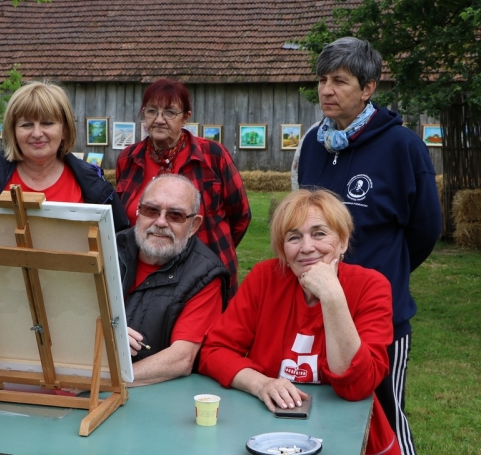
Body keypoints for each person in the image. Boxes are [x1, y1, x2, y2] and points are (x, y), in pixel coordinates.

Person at [297, 37, 441, 455]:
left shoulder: (402, 147)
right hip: (319, 307)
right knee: (327, 412)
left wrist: (382, 275)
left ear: (368, 88)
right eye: (322, 80)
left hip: (380, 315)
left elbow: (425, 230)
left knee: (385, 414)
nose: (326, 90)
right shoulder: (313, 143)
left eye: (339, 81)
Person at [200, 188, 400, 455]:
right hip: (270, 431)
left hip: (349, 434)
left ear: (342, 242)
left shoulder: (371, 286)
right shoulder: (264, 278)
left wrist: (332, 297)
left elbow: (356, 386)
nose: (307, 247)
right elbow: (214, 351)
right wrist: (261, 383)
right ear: (283, 248)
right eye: (294, 237)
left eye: (319, 233)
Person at [0, 80, 129, 354]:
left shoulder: (93, 185)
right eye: (26, 124)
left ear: (64, 129)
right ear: (13, 131)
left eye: (47, 123)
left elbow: (119, 254)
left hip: (75, 322)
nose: (37, 133)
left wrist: (109, 317)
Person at [115, 79, 250, 299]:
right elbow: (126, 219)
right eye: (151, 111)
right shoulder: (128, 159)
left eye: (169, 112)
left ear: (186, 117)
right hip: (145, 275)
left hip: (206, 276)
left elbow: (240, 215)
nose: (159, 120)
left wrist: (213, 249)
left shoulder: (213, 156)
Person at [117, 174, 229, 387]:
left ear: (194, 225)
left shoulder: (205, 274)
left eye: (175, 215)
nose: (160, 222)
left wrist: (107, 379)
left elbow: (180, 359)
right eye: (151, 210)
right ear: (138, 212)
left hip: (156, 394)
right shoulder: (108, 247)